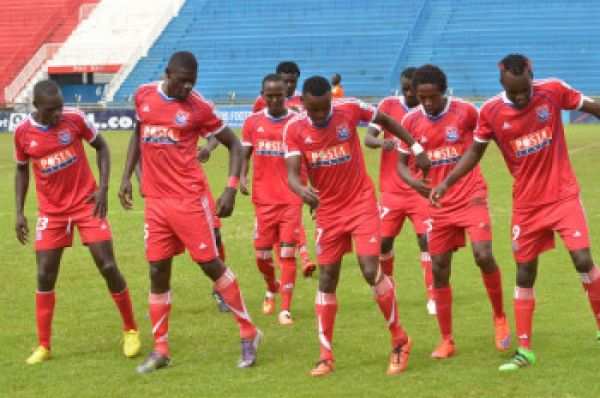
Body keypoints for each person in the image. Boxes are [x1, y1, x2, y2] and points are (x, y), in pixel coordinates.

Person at [430, 54, 600, 371]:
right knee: (524, 273)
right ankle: (524, 350)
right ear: (502, 84)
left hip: (563, 196)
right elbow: (473, 153)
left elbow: (591, 107)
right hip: (526, 205)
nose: (521, 98)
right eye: (514, 92)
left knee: (582, 259)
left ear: (532, 77)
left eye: (525, 90)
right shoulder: (491, 111)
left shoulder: (552, 89)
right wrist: (448, 182)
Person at [118, 51, 260, 373]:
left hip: (189, 200)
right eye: (181, 81)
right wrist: (127, 177)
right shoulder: (143, 94)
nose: (186, 88)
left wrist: (230, 188)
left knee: (211, 265)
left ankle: (249, 334)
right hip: (156, 203)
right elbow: (137, 137)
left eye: (191, 83)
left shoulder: (199, 107)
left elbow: (235, 145)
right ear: (167, 73)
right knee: (157, 272)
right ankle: (161, 350)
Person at [284, 75, 430, 377]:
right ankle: (325, 355)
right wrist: (301, 190)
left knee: (369, 268)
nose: (322, 114)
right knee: (327, 278)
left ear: (331, 100)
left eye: (325, 107)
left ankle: (400, 341)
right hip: (328, 212)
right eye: (315, 110)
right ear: (303, 105)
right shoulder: (294, 129)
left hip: (360, 203)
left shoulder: (348, 109)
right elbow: (292, 174)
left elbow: (387, 120)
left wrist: (415, 148)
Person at [14, 80, 141, 365]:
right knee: (45, 275)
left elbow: (103, 148)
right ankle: (44, 345)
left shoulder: (75, 119)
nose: (58, 114)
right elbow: (22, 171)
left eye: (59, 107)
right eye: (51, 110)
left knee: (107, 265)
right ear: (36, 107)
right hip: (51, 212)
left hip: (86, 203)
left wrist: (103, 188)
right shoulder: (23, 133)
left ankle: (131, 329)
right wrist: (20, 211)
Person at [398, 65, 510, 359]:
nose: (429, 103)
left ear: (444, 90)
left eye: (433, 96)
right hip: (437, 202)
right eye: (422, 98)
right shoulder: (410, 121)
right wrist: (416, 184)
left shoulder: (466, 112)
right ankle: (447, 339)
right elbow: (400, 164)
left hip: (470, 194)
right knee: (438, 269)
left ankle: (500, 317)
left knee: (483, 254)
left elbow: (488, 139)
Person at [364, 67, 435, 315]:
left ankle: (433, 295)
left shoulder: (427, 112)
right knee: (383, 243)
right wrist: (380, 141)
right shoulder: (388, 105)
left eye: (411, 90)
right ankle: (390, 288)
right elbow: (368, 137)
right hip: (391, 191)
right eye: (404, 88)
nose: (407, 94)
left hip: (419, 190)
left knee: (426, 240)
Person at [240, 74, 302, 325]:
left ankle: (285, 308)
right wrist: (241, 177)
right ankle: (271, 286)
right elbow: (244, 153)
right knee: (262, 257)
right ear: (262, 95)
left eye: (279, 95)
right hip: (263, 199)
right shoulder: (252, 122)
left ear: (286, 95)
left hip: (291, 198)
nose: (275, 99)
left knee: (287, 252)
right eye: (270, 95)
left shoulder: (297, 123)